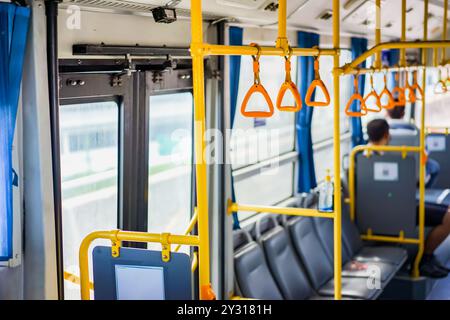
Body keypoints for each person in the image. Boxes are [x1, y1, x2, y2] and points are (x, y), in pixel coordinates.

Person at [367, 119, 450, 278]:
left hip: (398, 204)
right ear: (386, 134)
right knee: (449, 217)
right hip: (399, 209)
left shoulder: (365, 155)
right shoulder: (379, 159)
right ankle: (424, 259)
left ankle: (428, 258)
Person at [386, 105, 441, 188]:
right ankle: (423, 192)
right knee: (435, 166)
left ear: (387, 113)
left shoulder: (383, 133)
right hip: (414, 174)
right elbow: (425, 153)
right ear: (403, 113)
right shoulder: (415, 132)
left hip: (388, 172)